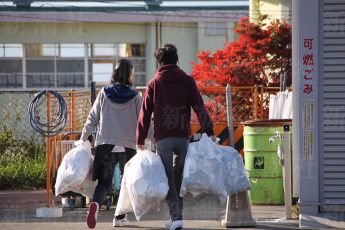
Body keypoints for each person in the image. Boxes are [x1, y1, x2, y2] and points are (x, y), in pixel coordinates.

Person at [136, 43, 215, 230]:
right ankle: (175, 217)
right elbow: (199, 107)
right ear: (176, 60)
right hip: (182, 136)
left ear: (159, 62)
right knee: (177, 176)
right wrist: (210, 131)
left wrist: (140, 139)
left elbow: (144, 114)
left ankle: (177, 217)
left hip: (163, 138)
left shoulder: (154, 84)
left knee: (168, 177)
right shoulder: (187, 81)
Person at [80, 59, 141, 229]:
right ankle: (119, 217)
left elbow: (92, 118)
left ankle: (96, 205)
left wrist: (83, 138)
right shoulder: (136, 96)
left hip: (105, 144)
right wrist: (151, 140)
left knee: (104, 183)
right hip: (127, 147)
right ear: (130, 74)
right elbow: (142, 123)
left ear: (114, 73)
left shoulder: (104, 93)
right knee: (126, 182)